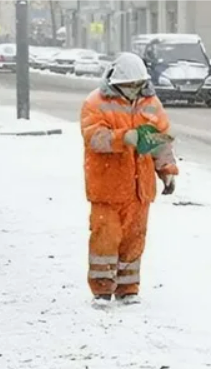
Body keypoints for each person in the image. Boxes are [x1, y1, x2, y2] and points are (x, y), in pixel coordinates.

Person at [80, 52, 177, 306]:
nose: (133, 89)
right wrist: (123, 138)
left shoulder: (151, 104)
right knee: (105, 240)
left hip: (139, 191)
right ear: (117, 83)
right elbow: (94, 138)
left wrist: (166, 170)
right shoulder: (95, 103)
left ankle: (128, 288)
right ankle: (101, 289)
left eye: (137, 84)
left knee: (134, 240)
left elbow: (160, 140)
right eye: (129, 85)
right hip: (107, 190)